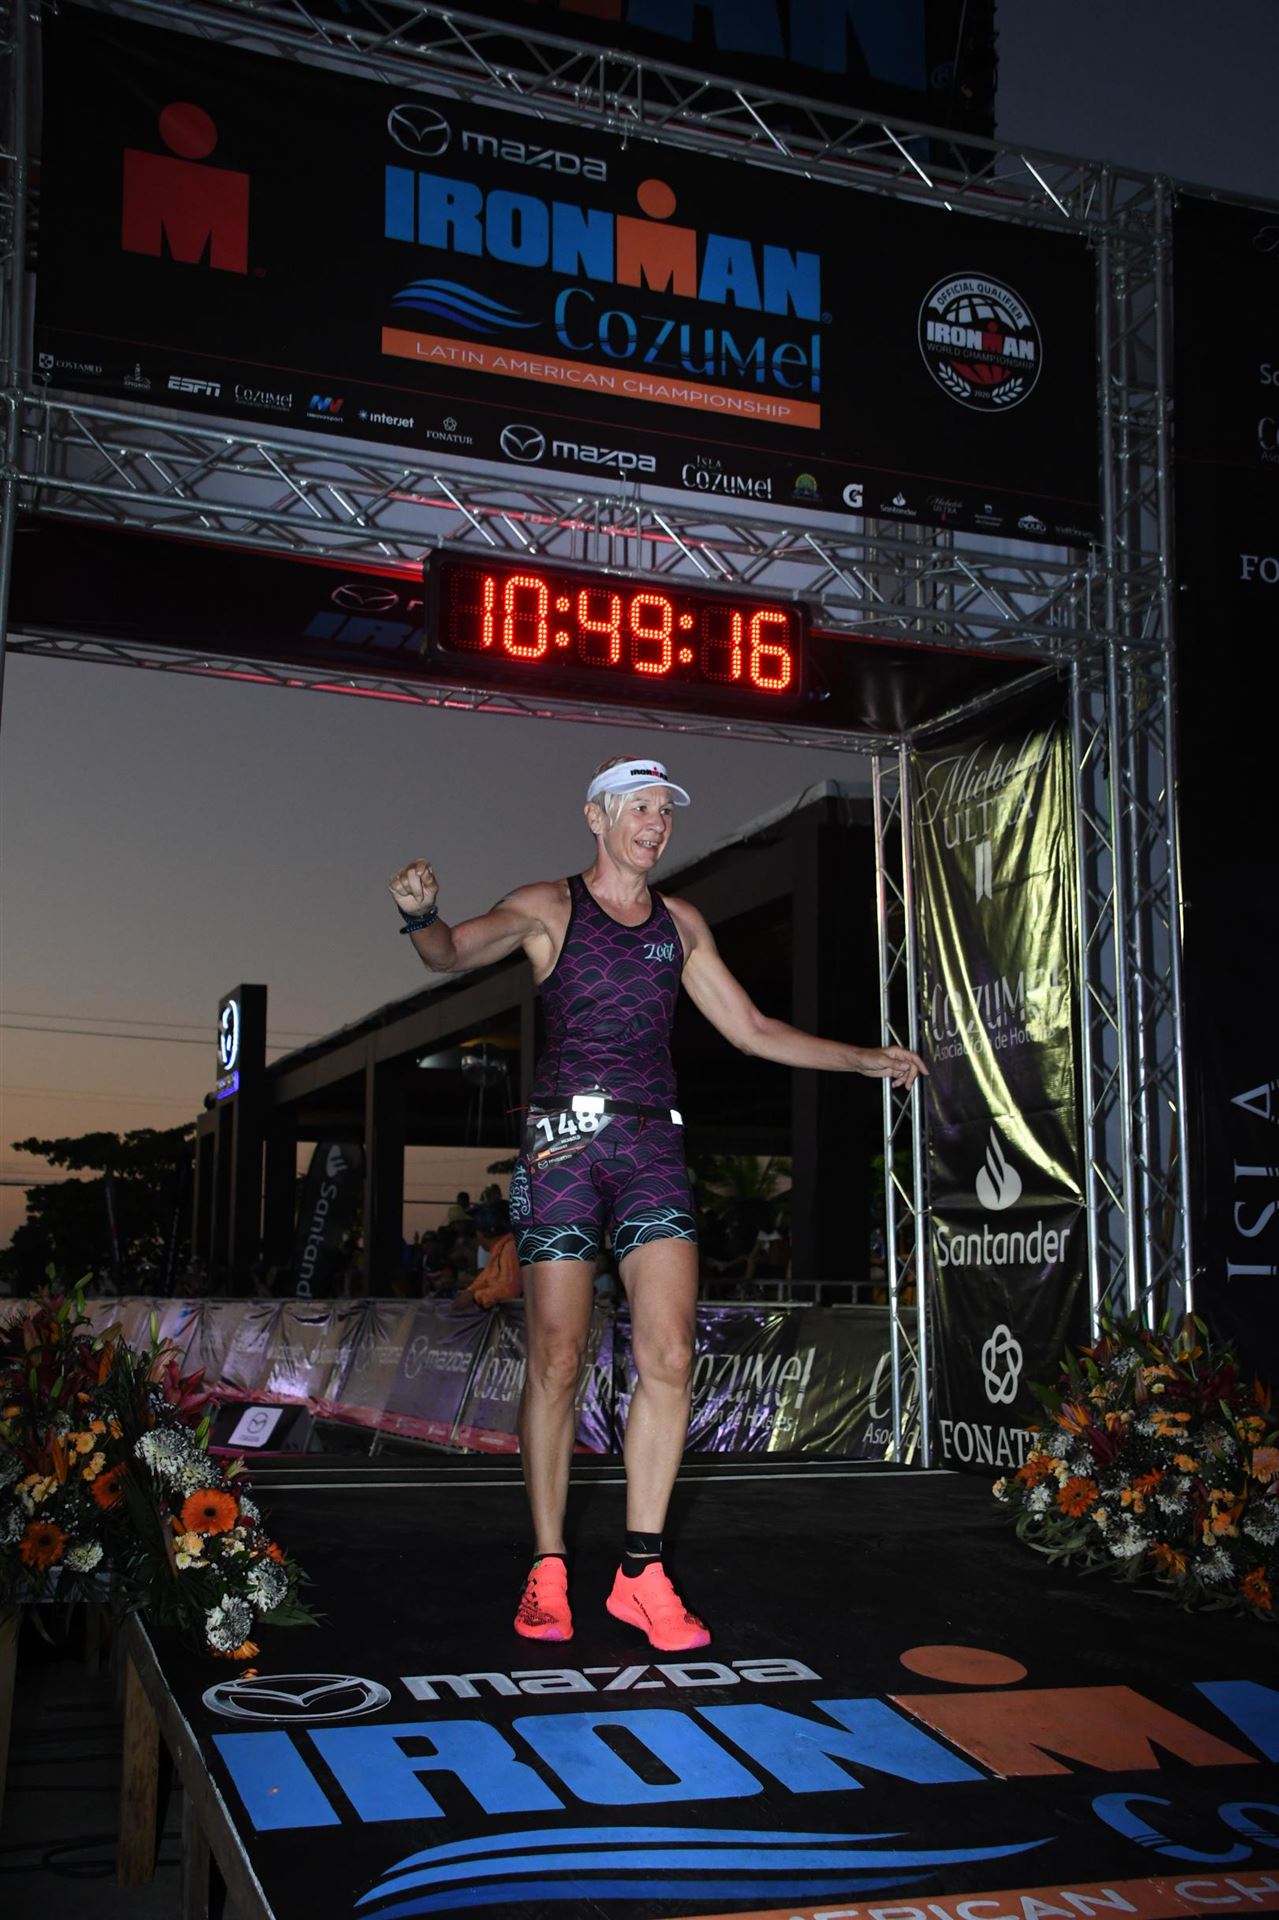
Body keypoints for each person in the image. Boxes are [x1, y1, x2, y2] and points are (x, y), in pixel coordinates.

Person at [389, 752, 926, 1653]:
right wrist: (419, 916)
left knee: (669, 1353)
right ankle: (548, 1566)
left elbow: (750, 1030)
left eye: (663, 810)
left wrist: (861, 1059)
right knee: (558, 1359)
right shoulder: (547, 906)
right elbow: (449, 955)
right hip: (563, 1149)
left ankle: (641, 1573)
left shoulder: (679, 924)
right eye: (637, 807)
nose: (655, 823)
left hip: (650, 1149)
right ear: (595, 817)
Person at [456, 1203, 522, 1311]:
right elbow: (485, 1278)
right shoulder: (500, 1249)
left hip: (522, 1317)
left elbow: (509, 1290)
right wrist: (470, 1291)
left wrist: (475, 1297)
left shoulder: (510, 1249)